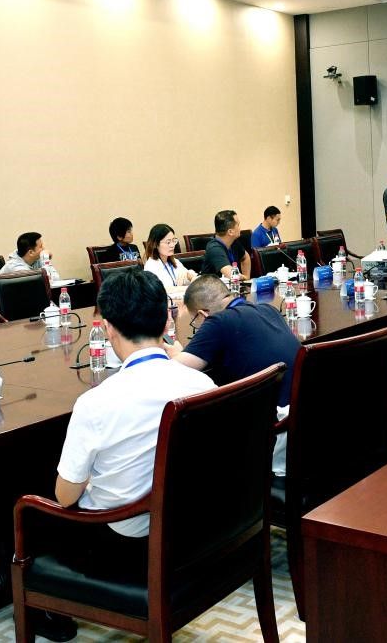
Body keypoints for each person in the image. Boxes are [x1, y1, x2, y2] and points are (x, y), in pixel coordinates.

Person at [54, 268, 213, 542]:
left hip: (128, 536)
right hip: (196, 520)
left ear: (108, 328)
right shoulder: (204, 384)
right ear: (167, 321)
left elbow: (65, 497)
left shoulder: (95, 403)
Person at [172, 274, 298, 471]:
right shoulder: (268, 309)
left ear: (203, 314)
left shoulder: (217, 321)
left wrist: (175, 348)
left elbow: (174, 371)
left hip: (277, 436)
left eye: (195, 322)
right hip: (304, 419)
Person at [142, 223, 194, 292]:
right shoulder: (151, 266)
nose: (172, 245)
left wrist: (190, 276)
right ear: (155, 244)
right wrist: (185, 288)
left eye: (174, 241)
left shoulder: (174, 261)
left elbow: (185, 275)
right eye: (168, 242)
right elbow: (163, 290)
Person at [201, 210, 250, 277]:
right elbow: (231, 274)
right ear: (230, 232)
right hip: (210, 283)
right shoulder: (214, 248)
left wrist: (247, 277)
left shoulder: (233, 242)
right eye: (238, 225)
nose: (240, 228)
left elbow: (245, 257)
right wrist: (244, 278)